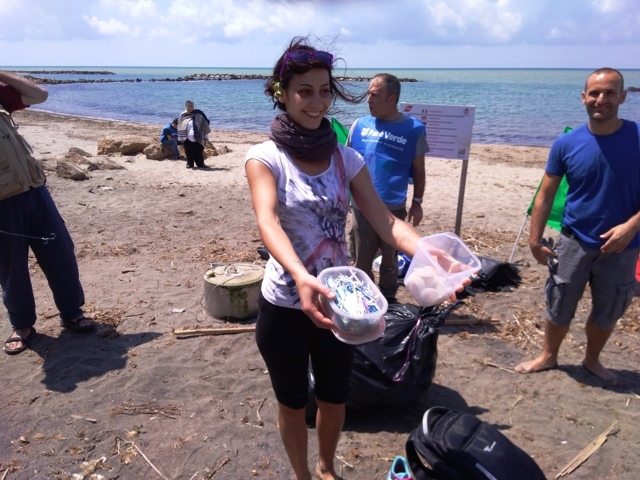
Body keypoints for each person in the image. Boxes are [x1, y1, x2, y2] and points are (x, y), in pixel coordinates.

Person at [244, 37, 467, 480]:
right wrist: (300, 276)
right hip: (287, 304)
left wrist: (430, 253)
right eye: (304, 91)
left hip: (343, 304)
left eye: (324, 90)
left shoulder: (346, 158)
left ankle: (326, 468)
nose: (316, 101)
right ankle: (302, 475)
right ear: (282, 93)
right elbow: (267, 221)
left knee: (334, 398)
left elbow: (386, 222)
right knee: (291, 404)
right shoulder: (265, 158)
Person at [515, 68, 640, 386]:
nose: (602, 99)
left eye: (610, 93)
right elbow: (545, 195)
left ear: (623, 97)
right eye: (595, 93)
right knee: (559, 304)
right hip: (574, 240)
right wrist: (534, 240)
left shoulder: (637, 137)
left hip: (624, 246)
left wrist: (630, 227)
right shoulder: (566, 143)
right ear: (584, 97)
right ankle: (548, 356)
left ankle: (592, 359)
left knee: (608, 309)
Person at [0, 70, 95, 356]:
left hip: (35, 191)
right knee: (11, 267)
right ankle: (22, 325)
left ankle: (71, 311)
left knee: (60, 252)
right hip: (2, 201)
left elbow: (39, 95)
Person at [347, 73, 429, 303]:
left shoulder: (414, 129)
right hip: (361, 207)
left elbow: (419, 170)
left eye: (374, 95)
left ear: (391, 99)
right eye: (368, 94)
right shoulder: (359, 125)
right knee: (361, 260)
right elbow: (346, 165)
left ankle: (389, 300)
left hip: (394, 207)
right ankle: (363, 302)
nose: (368, 100)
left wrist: (417, 203)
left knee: (390, 260)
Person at [177, 100, 211, 168]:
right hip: (187, 138)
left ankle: (201, 164)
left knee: (199, 151)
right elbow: (180, 126)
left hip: (198, 136)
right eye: (188, 106)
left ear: (193, 106)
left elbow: (204, 125)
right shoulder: (183, 115)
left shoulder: (199, 114)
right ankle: (189, 164)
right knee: (189, 152)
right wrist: (181, 137)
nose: (190, 107)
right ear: (186, 107)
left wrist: (206, 136)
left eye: (191, 106)